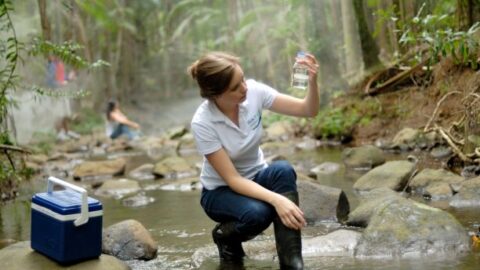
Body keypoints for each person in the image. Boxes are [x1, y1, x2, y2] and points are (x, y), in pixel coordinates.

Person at [188, 51, 319, 269]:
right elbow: (233, 180)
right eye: (235, 87)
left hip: (258, 176)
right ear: (216, 94)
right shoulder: (203, 123)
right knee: (259, 214)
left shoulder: (254, 92)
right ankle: (225, 237)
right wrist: (278, 200)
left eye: (242, 79)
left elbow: (308, 110)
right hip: (220, 192)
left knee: (283, 170)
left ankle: (292, 262)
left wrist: (313, 82)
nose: (244, 88)